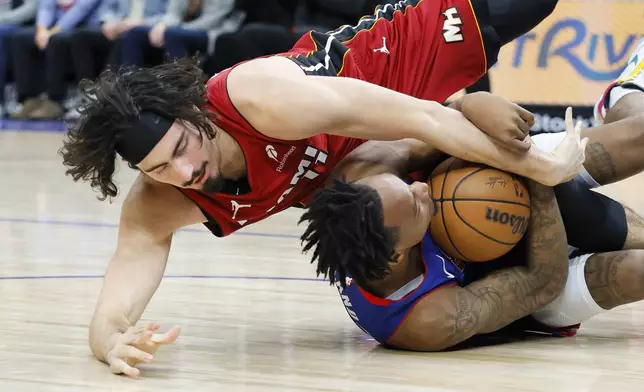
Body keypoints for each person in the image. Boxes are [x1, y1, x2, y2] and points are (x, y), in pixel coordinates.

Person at [59, 0, 577, 377]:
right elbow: (113, 304)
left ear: (192, 113)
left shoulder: (260, 99)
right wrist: (112, 342)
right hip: (393, 154)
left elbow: (423, 116)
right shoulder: (161, 202)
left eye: (179, 148)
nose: (182, 171)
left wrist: (540, 166)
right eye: (158, 168)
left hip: (417, 50)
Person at [298, 108, 644, 350]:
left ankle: (627, 94)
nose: (421, 189)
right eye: (415, 203)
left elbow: (440, 123)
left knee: (637, 136)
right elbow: (543, 282)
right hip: (531, 287)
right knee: (636, 273)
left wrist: (475, 106)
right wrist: (539, 178)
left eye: (405, 183)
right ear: (396, 253)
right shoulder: (427, 319)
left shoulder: (360, 176)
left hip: (492, 186)